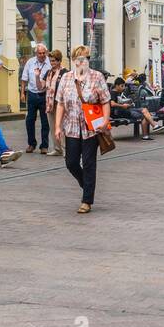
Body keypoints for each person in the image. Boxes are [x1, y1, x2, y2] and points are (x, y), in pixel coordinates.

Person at [53, 45, 112, 214]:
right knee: (71, 162)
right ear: (73, 61)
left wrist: (106, 121)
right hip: (71, 127)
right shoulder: (66, 78)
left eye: (85, 58)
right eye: (79, 59)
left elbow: (105, 101)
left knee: (88, 163)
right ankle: (85, 183)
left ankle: (87, 200)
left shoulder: (97, 77)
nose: (82, 62)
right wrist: (57, 126)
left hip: (91, 128)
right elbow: (61, 103)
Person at [19, 43, 53, 154]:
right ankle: (31, 144)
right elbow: (24, 78)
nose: (42, 55)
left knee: (45, 121)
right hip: (32, 94)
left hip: (45, 95)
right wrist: (22, 93)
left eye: (44, 53)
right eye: (40, 53)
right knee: (30, 120)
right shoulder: (30, 62)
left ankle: (44, 145)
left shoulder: (50, 63)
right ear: (36, 53)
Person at [43, 50, 66, 156]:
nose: (52, 63)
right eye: (50, 61)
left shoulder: (64, 72)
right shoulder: (48, 73)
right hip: (49, 104)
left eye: (54, 61)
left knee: (61, 127)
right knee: (52, 127)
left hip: (60, 103)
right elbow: (41, 87)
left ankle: (66, 149)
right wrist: (36, 76)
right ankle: (57, 149)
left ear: (59, 61)